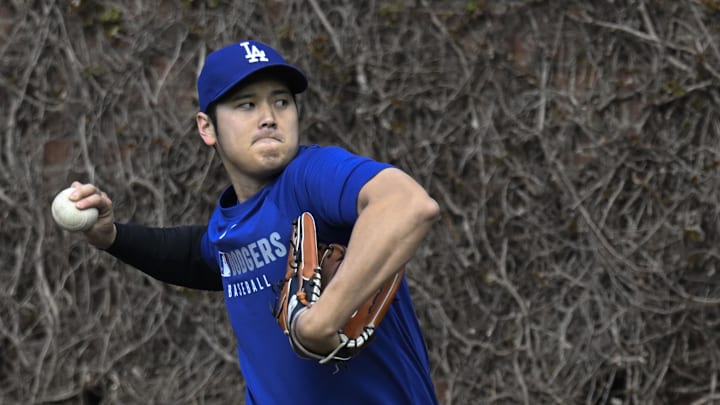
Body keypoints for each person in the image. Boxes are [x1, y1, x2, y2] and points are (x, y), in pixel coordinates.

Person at [69, 39, 440, 404]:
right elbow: (196, 256)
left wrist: (320, 320)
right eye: (246, 104)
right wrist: (111, 236)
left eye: (281, 101)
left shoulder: (310, 178)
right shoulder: (229, 226)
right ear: (207, 128)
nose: (269, 116)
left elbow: (407, 204)